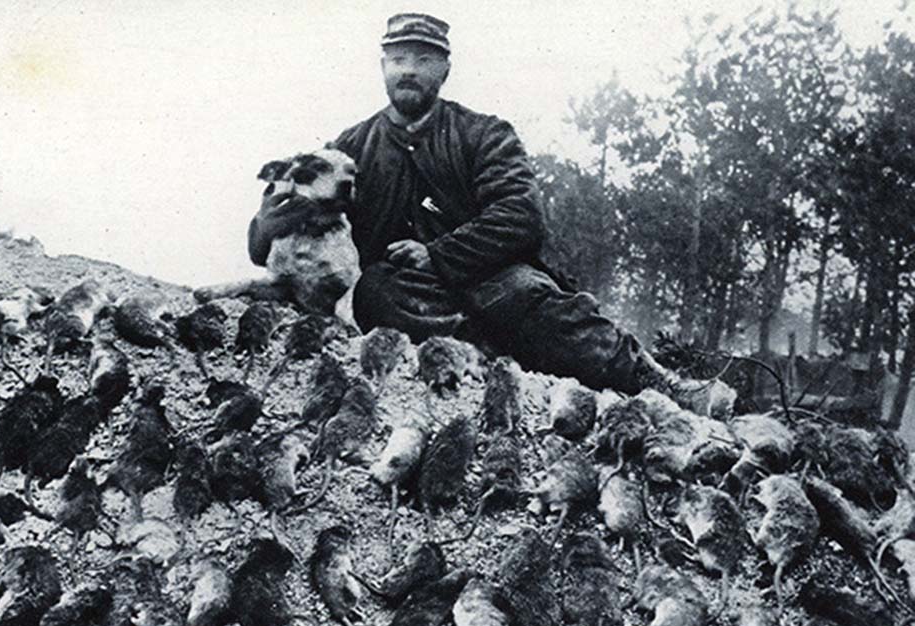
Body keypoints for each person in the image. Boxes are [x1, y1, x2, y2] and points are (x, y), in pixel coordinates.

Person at [249, 12, 719, 403]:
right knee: (376, 294)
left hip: (488, 275)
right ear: (382, 67)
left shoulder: (484, 134)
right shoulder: (349, 148)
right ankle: (497, 360)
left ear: (445, 69)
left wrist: (439, 252)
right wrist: (276, 213)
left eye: (423, 59)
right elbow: (273, 231)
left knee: (529, 298)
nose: (408, 70)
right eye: (397, 59)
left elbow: (521, 217)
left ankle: (660, 382)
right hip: (405, 291)